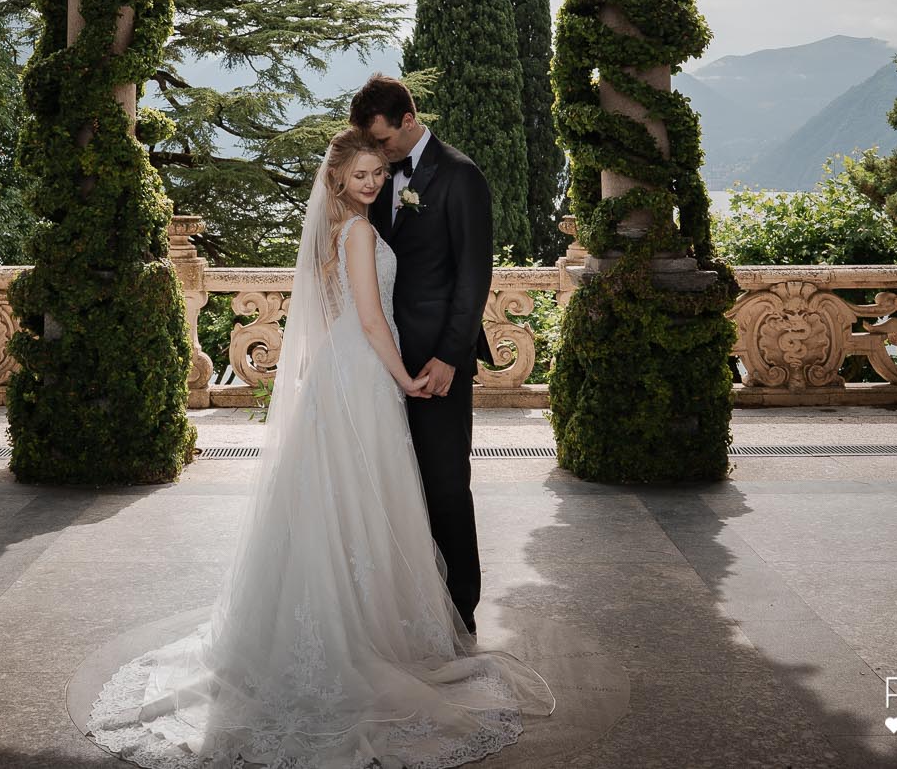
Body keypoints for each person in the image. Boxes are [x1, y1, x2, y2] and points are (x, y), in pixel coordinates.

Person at [87, 127, 550, 768]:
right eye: (361, 175)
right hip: (363, 370)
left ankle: (334, 619)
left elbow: (340, 316)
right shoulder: (357, 231)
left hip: (340, 368)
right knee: (362, 493)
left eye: (378, 173)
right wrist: (403, 378)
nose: (373, 183)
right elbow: (371, 320)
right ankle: (362, 630)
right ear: (336, 178)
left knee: (336, 497)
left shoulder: (332, 230)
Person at [349, 73, 494, 633]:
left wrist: (451, 356)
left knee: (445, 482)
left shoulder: (460, 176)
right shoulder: (375, 177)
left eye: (383, 141)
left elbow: (473, 277)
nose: (376, 155)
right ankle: (410, 606)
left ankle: (460, 609)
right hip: (381, 359)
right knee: (394, 483)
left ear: (408, 121)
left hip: (436, 361)